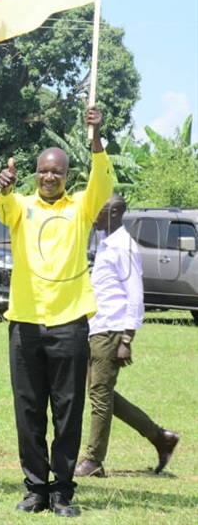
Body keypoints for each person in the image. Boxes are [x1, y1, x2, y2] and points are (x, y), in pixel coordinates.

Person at [0, 106, 114, 517]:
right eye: (43, 171)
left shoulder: (80, 208)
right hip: (25, 324)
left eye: (57, 172)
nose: (49, 177)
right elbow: (3, 206)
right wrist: (5, 187)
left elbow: (102, 176)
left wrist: (95, 135)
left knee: (67, 411)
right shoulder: (20, 207)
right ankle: (35, 489)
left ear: (67, 176)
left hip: (69, 325)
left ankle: (62, 491)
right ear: (34, 173)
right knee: (27, 411)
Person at [74, 194, 181, 478]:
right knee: (101, 393)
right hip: (98, 327)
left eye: (99, 210)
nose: (94, 215)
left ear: (114, 213)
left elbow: (135, 294)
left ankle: (94, 459)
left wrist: (126, 340)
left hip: (111, 331)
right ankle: (161, 437)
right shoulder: (108, 244)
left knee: (99, 396)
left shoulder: (124, 247)